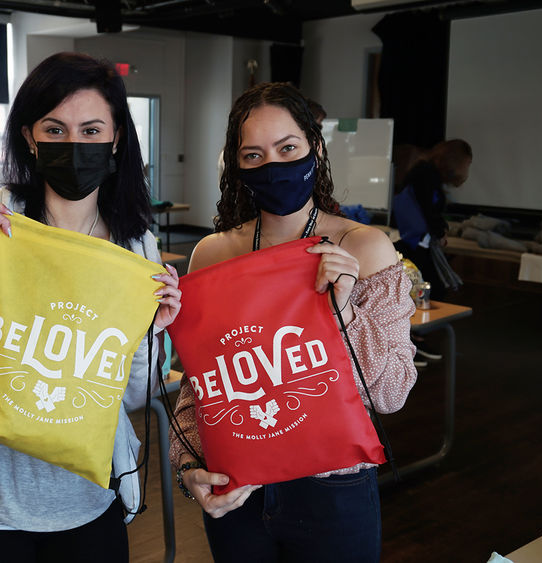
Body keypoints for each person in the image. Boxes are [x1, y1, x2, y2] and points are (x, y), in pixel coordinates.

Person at [0, 52, 181, 562]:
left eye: (91, 130)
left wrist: (148, 332)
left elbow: (133, 396)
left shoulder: (137, 249)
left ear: (116, 139)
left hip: (88, 504)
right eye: (55, 129)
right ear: (30, 136)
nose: (74, 145)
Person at [168, 82, 417, 562]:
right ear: (237, 166)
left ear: (314, 148)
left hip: (333, 493)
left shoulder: (364, 248)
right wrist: (189, 467)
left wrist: (345, 311)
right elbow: (203, 383)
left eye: (288, 148)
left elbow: (392, 392)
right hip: (238, 488)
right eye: (254, 155)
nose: (273, 165)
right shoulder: (212, 254)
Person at [392, 139, 472, 300]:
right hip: (416, 240)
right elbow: (427, 208)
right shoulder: (426, 174)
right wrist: (440, 231)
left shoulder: (424, 171)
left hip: (416, 239)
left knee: (429, 285)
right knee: (433, 288)